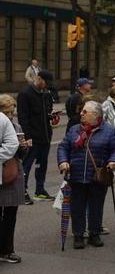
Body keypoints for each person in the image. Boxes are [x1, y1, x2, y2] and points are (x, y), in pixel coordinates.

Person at [57, 101, 115, 249]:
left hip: (98, 175)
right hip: (76, 174)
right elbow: (63, 147)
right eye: (82, 111)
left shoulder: (109, 131)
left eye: (85, 112)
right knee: (77, 207)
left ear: (96, 115)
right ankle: (78, 235)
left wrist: (113, 161)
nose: (81, 114)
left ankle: (94, 233)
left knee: (96, 206)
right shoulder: (74, 130)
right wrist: (63, 162)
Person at [17, 70, 57, 203]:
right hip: (33, 137)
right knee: (27, 165)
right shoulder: (25, 94)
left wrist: (51, 116)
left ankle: (40, 190)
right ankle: (22, 191)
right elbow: (23, 118)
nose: (46, 86)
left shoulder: (46, 94)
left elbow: (46, 113)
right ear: (38, 79)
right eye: (45, 82)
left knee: (42, 164)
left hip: (45, 136)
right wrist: (27, 136)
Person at [0, 95, 29, 263]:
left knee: (11, 214)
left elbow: (22, 155)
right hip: (3, 170)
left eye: (12, 112)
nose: (10, 116)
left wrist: (23, 147)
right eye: (6, 112)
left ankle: (8, 250)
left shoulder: (16, 126)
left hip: (13, 173)